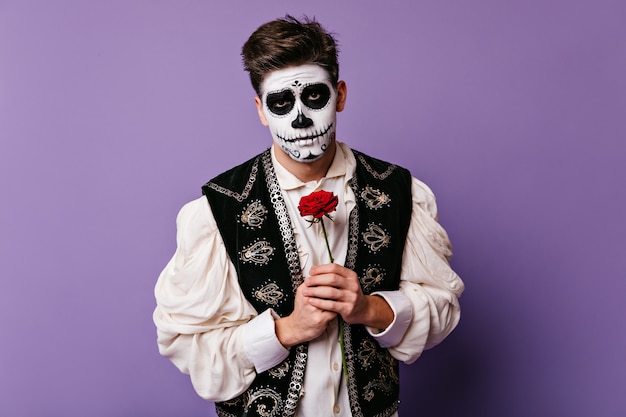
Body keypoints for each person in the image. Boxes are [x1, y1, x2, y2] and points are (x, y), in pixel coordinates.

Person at [153, 15, 464, 417]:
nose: (299, 119)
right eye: (281, 103)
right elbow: (185, 340)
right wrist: (283, 331)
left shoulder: (399, 191)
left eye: (314, 97)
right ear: (261, 110)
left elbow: (442, 306)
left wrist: (371, 309)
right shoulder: (218, 210)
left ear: (340, 96)